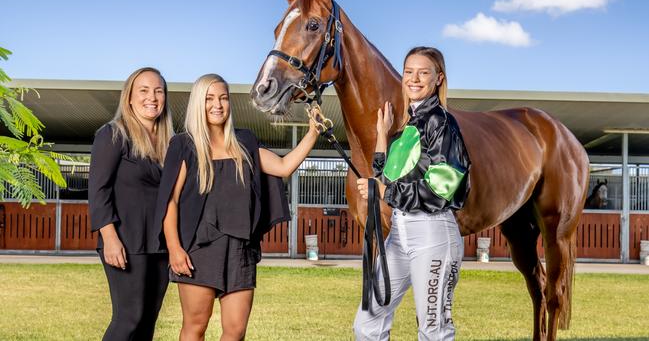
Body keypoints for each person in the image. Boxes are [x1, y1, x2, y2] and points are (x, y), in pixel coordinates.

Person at [155, 73, 319, 341]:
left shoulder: (245, 142)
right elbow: (170, 201)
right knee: (195, 328)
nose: (217, 105)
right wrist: (174, 248)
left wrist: (313, 133)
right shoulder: (184, 144)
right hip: (199, 250)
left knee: (236, 331)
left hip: (241, 250)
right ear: (199, 103)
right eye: (209, 99)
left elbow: (283, 166)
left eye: (223, 98)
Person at [353, 47, 471, 341]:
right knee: (367, 322)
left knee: (433, 331)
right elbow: (385, 177)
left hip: (433, 235)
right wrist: (383, 133)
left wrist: (385, 191)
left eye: (423, 72)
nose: (414, 78)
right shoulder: (408, 127)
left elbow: (441, 190)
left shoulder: (442, 123)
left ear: (438, 79)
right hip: (399, 236)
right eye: (408, 71)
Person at [89, 67, 174, 340]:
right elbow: (98, 190)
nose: (152, 97)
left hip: (159, 244)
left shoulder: (170, 143)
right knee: (129, 317)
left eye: (158, 91)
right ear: (129, 97)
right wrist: (109, 237)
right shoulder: (113, 134)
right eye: (144, 90)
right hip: (125, 241)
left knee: (148, 321)